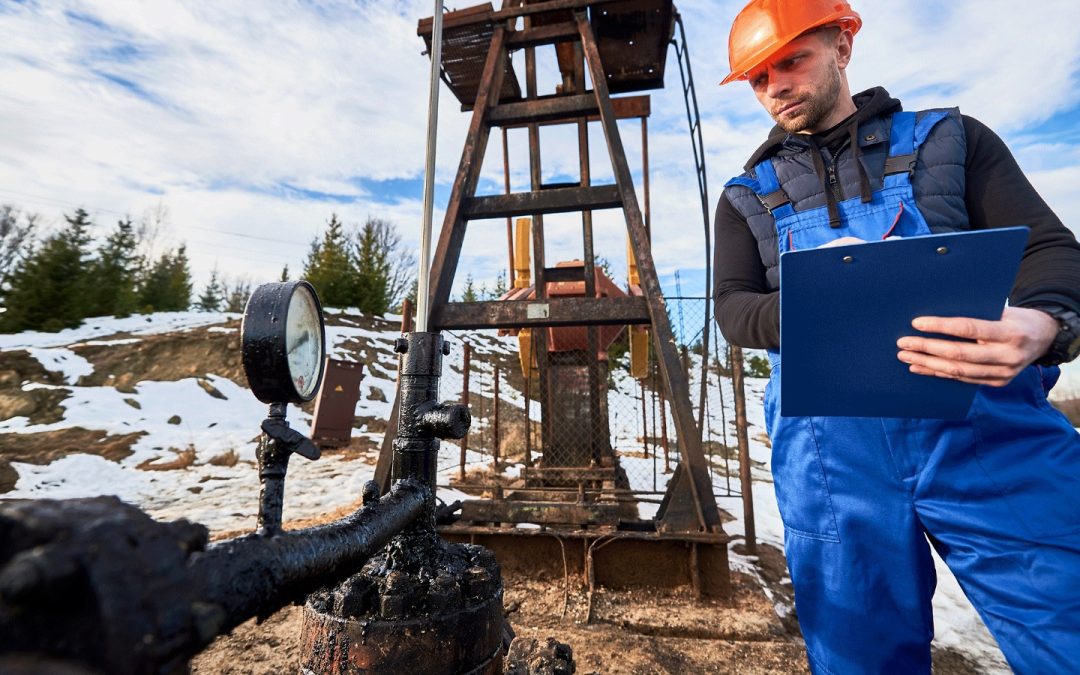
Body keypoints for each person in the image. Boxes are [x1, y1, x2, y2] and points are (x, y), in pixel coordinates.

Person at [712, 1, 1080, 673]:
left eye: (792, 61)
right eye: (759, 78)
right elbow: (734, 310)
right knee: (860, 659)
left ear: (842, 45)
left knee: (1068, 624)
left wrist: (1042, 321)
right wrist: (827, 298)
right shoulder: (747, 197)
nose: (777, 88)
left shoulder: (951, 142)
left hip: (987, 437)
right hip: (833, 468)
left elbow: (1051, 250)